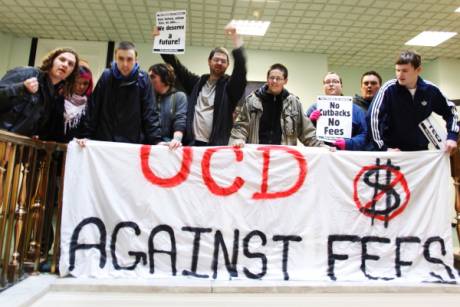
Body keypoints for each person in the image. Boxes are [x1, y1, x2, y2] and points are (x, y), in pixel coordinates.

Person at [155, 26, 247, 146]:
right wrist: (161, 41)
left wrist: (236, 40)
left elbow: (240, 72)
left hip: (215, 146)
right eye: (216, 59)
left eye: (223, 61)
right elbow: (176, 66)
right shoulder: (197, 83)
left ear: (228, 65)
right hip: (191, 144)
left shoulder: (229, 88)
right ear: (209, 61)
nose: (219, 63)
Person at [369, 50, 458, 153]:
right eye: (397, 70)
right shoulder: (388, 89)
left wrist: (452, 136)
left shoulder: (430, 90)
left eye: (405, 71)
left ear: (418, 70)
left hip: (420, 151)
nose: (400, 75)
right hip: (394, 151)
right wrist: (383, 148)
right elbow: (373, 118)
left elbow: (451, 111)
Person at [83, 41, 161, 145]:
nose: (125, 64)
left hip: (132, 143)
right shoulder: (106, 76)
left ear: (136, 60)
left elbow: (150, 112)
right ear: (115, 58)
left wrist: (156, 140)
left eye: (129, 59)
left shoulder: (144, 79)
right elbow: (93, 108)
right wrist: (85, 135)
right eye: (121, 59)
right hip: (105, 140)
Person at [229, 63, 323, 147]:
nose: (274, 81)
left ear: (285, 81)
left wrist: (321, 146)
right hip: (257, 156)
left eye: (278, 78)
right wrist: (238, 140)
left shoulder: (294, 103)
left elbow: (306, 132)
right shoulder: (252, 100)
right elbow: (241, 126)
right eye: (271, 78)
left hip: (283, 159)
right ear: (267, 79)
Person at [0, 48, 79, 138]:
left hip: (15, 145)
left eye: (70, 64)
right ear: (51, 61)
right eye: (62, 59)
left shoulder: (53, 95)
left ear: (71, 73)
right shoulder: (27, 73)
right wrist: (22, 88)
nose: (65, 65)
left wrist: (34, 133)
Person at [306, 72, 368, 150]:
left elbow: (365, 135)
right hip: (320, 154)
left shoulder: (356, 110)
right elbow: (304, 134)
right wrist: (310, 122)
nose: (331, 84)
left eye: (335, 81)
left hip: (347, 156)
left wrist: (348, 143)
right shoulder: (313, 108)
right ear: (323, 86)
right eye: (327, 82)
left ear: (341, 85)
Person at [148, 63, 187, 150]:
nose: (149, 79)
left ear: (164, 77)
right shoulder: (149, 97)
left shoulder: (179, 96)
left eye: (153, 76)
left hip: (171, 145)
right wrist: (156, 142)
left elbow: (180, 119)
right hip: (153, 144)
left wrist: (176, 140)